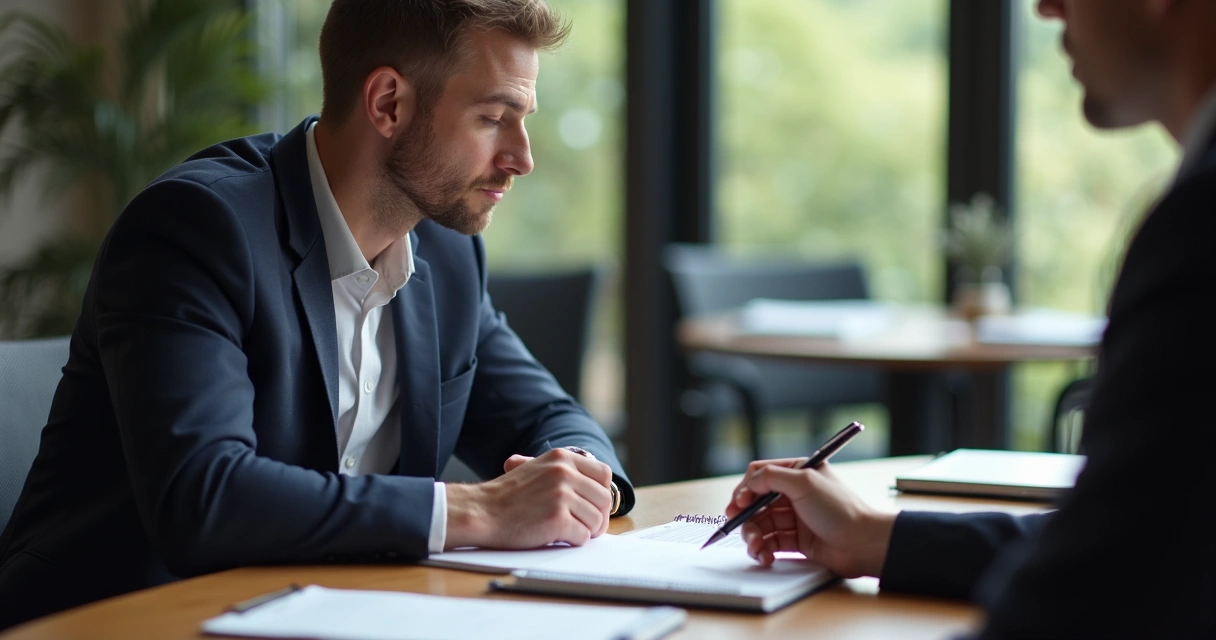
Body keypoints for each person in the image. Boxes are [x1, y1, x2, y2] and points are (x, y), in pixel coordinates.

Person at [0, 0, 634, 629]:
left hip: (335, 617)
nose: (522, 157)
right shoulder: (196, 230)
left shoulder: (447, 249)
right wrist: (479, 511)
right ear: (388, 102)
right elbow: (205, 498)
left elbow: (549, 416)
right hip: (116, 621)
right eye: (494, 117)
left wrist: (574, 483)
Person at [727, 0, 1216, 637]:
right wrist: (876, 537)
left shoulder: (1200, 227)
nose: (1044, 7)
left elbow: (1094, 598)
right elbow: (1144, 535)